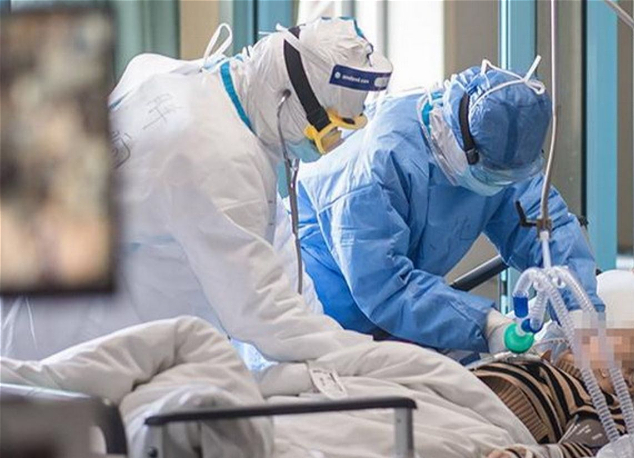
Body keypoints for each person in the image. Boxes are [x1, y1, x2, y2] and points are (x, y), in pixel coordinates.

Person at [0, 18, 393, 363]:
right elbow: (263, 316)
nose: (330, 146)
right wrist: (364, 358)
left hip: (54, 298)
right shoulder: (217, 157)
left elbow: (274, 246)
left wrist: (326, 334)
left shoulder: (199, 82)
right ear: (285, 99)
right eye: (327, 131)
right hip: (73, 345)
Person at [295, 60, 603, 354]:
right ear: (454, 135)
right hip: (322, 317)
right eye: (489, 173)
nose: (496, 182)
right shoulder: (379, 164)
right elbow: (384, 285)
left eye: (507, 176)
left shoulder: (504, 150)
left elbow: (545, 230)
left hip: (402, 317)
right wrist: (486, 324)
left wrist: (580, 313)